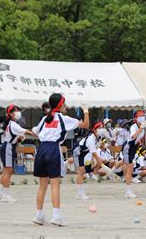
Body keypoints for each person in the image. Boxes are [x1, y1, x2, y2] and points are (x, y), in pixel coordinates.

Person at [32, 94, 89, 226]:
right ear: (60, 105)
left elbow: (35, 132)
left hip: (41, 149)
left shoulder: (46, 118)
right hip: (53, 149)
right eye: (64, 103)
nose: (66, 106)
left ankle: (38, 215)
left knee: (42, 185)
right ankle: (56, 217)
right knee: (55, 185)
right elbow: (86, 124)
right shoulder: (63, 118)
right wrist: (86, 110)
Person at [0, 105, 37, 203]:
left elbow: (17, 134)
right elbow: (24, 131)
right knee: (9, 171)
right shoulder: (13, 124)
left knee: (6, 171)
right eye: (15, 111)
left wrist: (19, 137)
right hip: (8, 147)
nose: (18, 112)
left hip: (8, 146)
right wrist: (34, 133)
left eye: (18, 110)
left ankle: (0, 192)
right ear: (10, 114)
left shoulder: (12, 123)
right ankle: (5, 194)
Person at [72, 122, 111, 202]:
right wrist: (103, 166)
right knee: (81, 173)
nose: (101, 129)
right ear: (94, 130)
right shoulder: (91, 139)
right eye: (99, 128)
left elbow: (96, 151)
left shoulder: (99, 138)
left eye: (102, 127)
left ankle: (80, 193)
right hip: (78, 152)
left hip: (85, 153)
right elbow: (95, 154)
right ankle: (80, 194)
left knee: (82, 173)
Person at [122, 111, 146, 198]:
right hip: (128, 147)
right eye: (140, 116)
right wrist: (141, 128)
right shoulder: (134, 127)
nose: (142, 117)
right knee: (129, 170)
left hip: (133, 147)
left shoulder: (142, 127)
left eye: (143, 116)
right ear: (136, 118)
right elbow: (133, 136)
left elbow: (138, 139)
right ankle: (128, 191)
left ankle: (128, 190)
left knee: (130, 169)